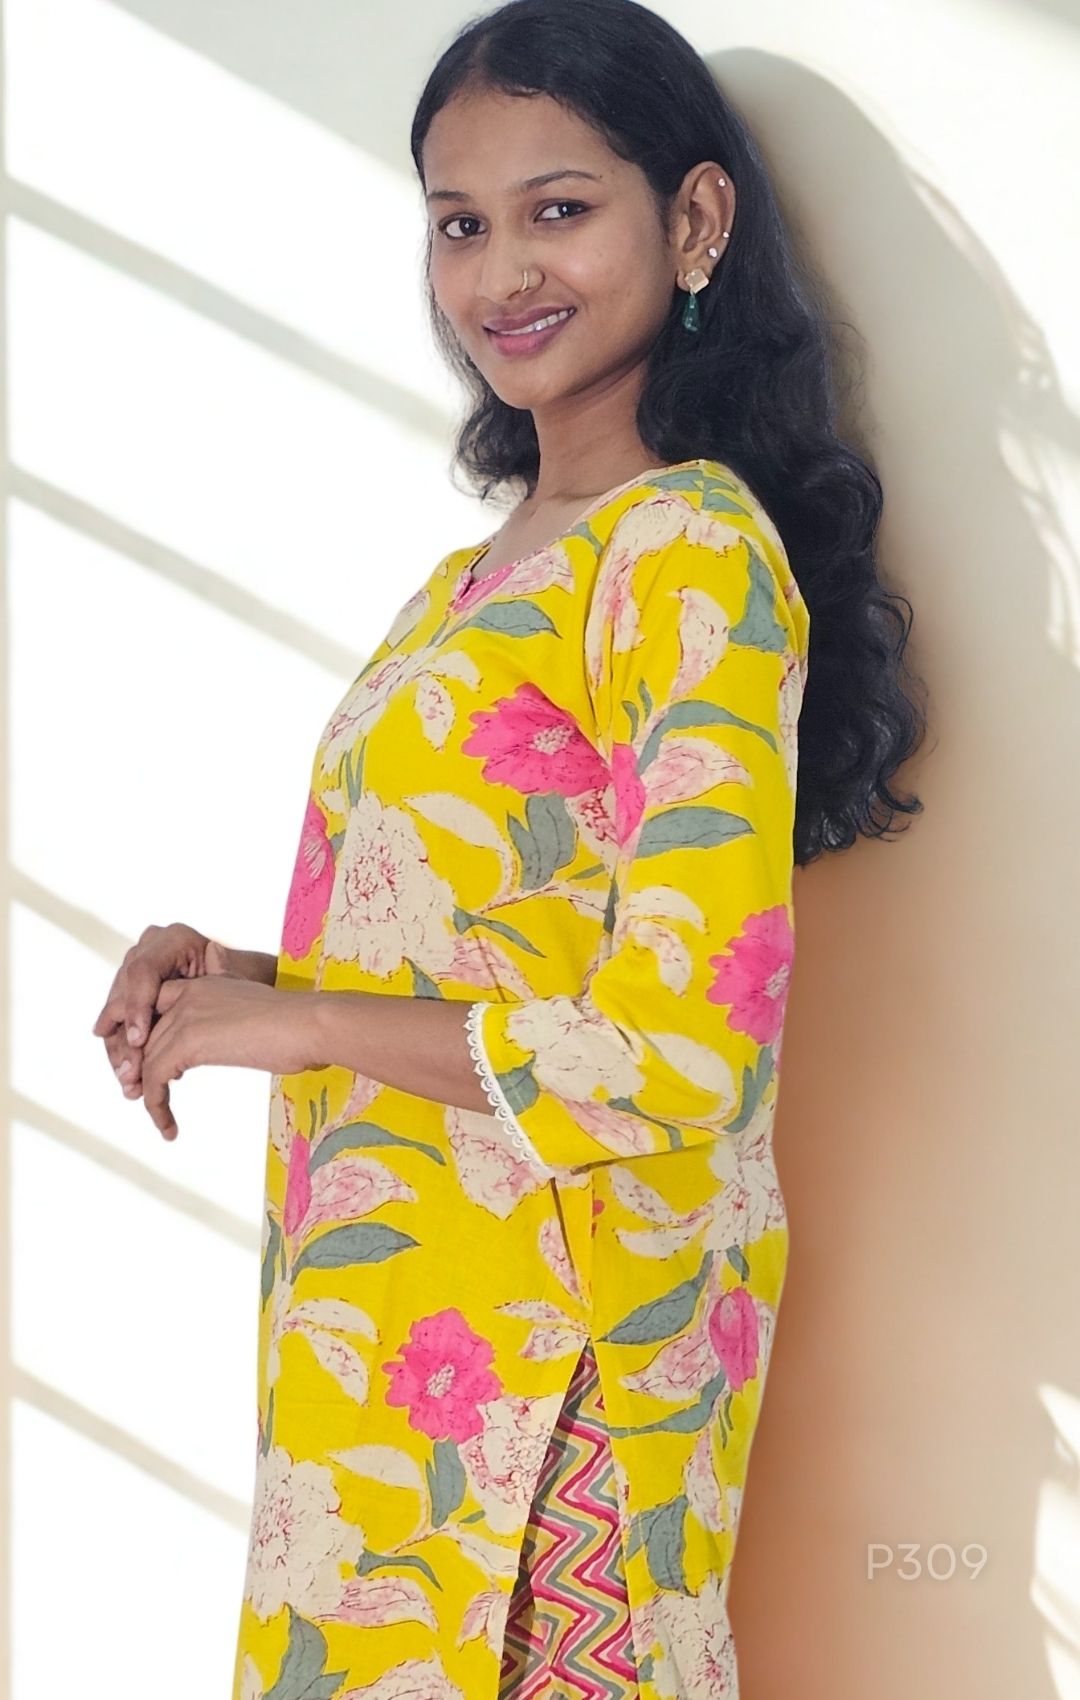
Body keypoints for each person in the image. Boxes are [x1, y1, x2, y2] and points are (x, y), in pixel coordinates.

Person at [91, 2, 926, 1695]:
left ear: (693, 221)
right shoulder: (481, 578)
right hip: (393, 1357)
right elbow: (488, 957)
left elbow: (682, 1053)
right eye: (459, 221)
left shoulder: (690, 550)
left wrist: (291, 1029)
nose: (498, 274)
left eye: (559, 209)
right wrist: (235, 980)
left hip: (565, 1363)